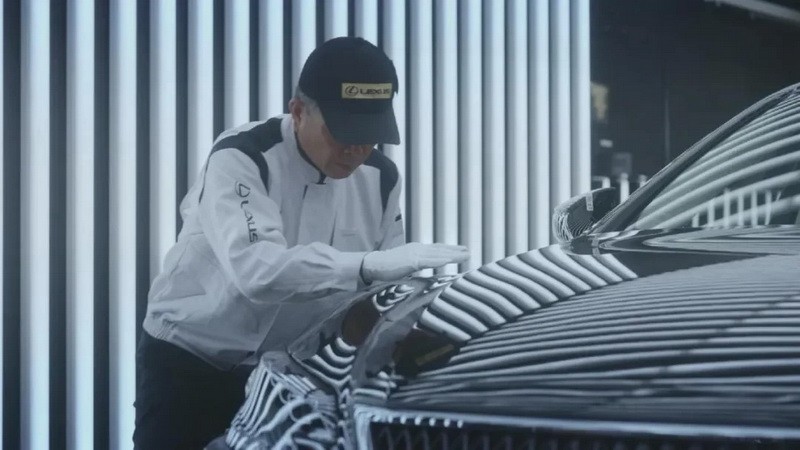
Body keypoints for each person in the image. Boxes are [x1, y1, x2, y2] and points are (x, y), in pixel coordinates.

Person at [133, 36, 469, 449]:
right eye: (343, 132)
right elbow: (257, 272)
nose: (356, 150)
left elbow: (365, 304)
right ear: (297, 112)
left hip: (283, 375)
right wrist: (363, 266)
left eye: (370, 134)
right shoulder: (243, 156)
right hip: (190, 360)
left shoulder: (382, 179)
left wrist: (412, 340)